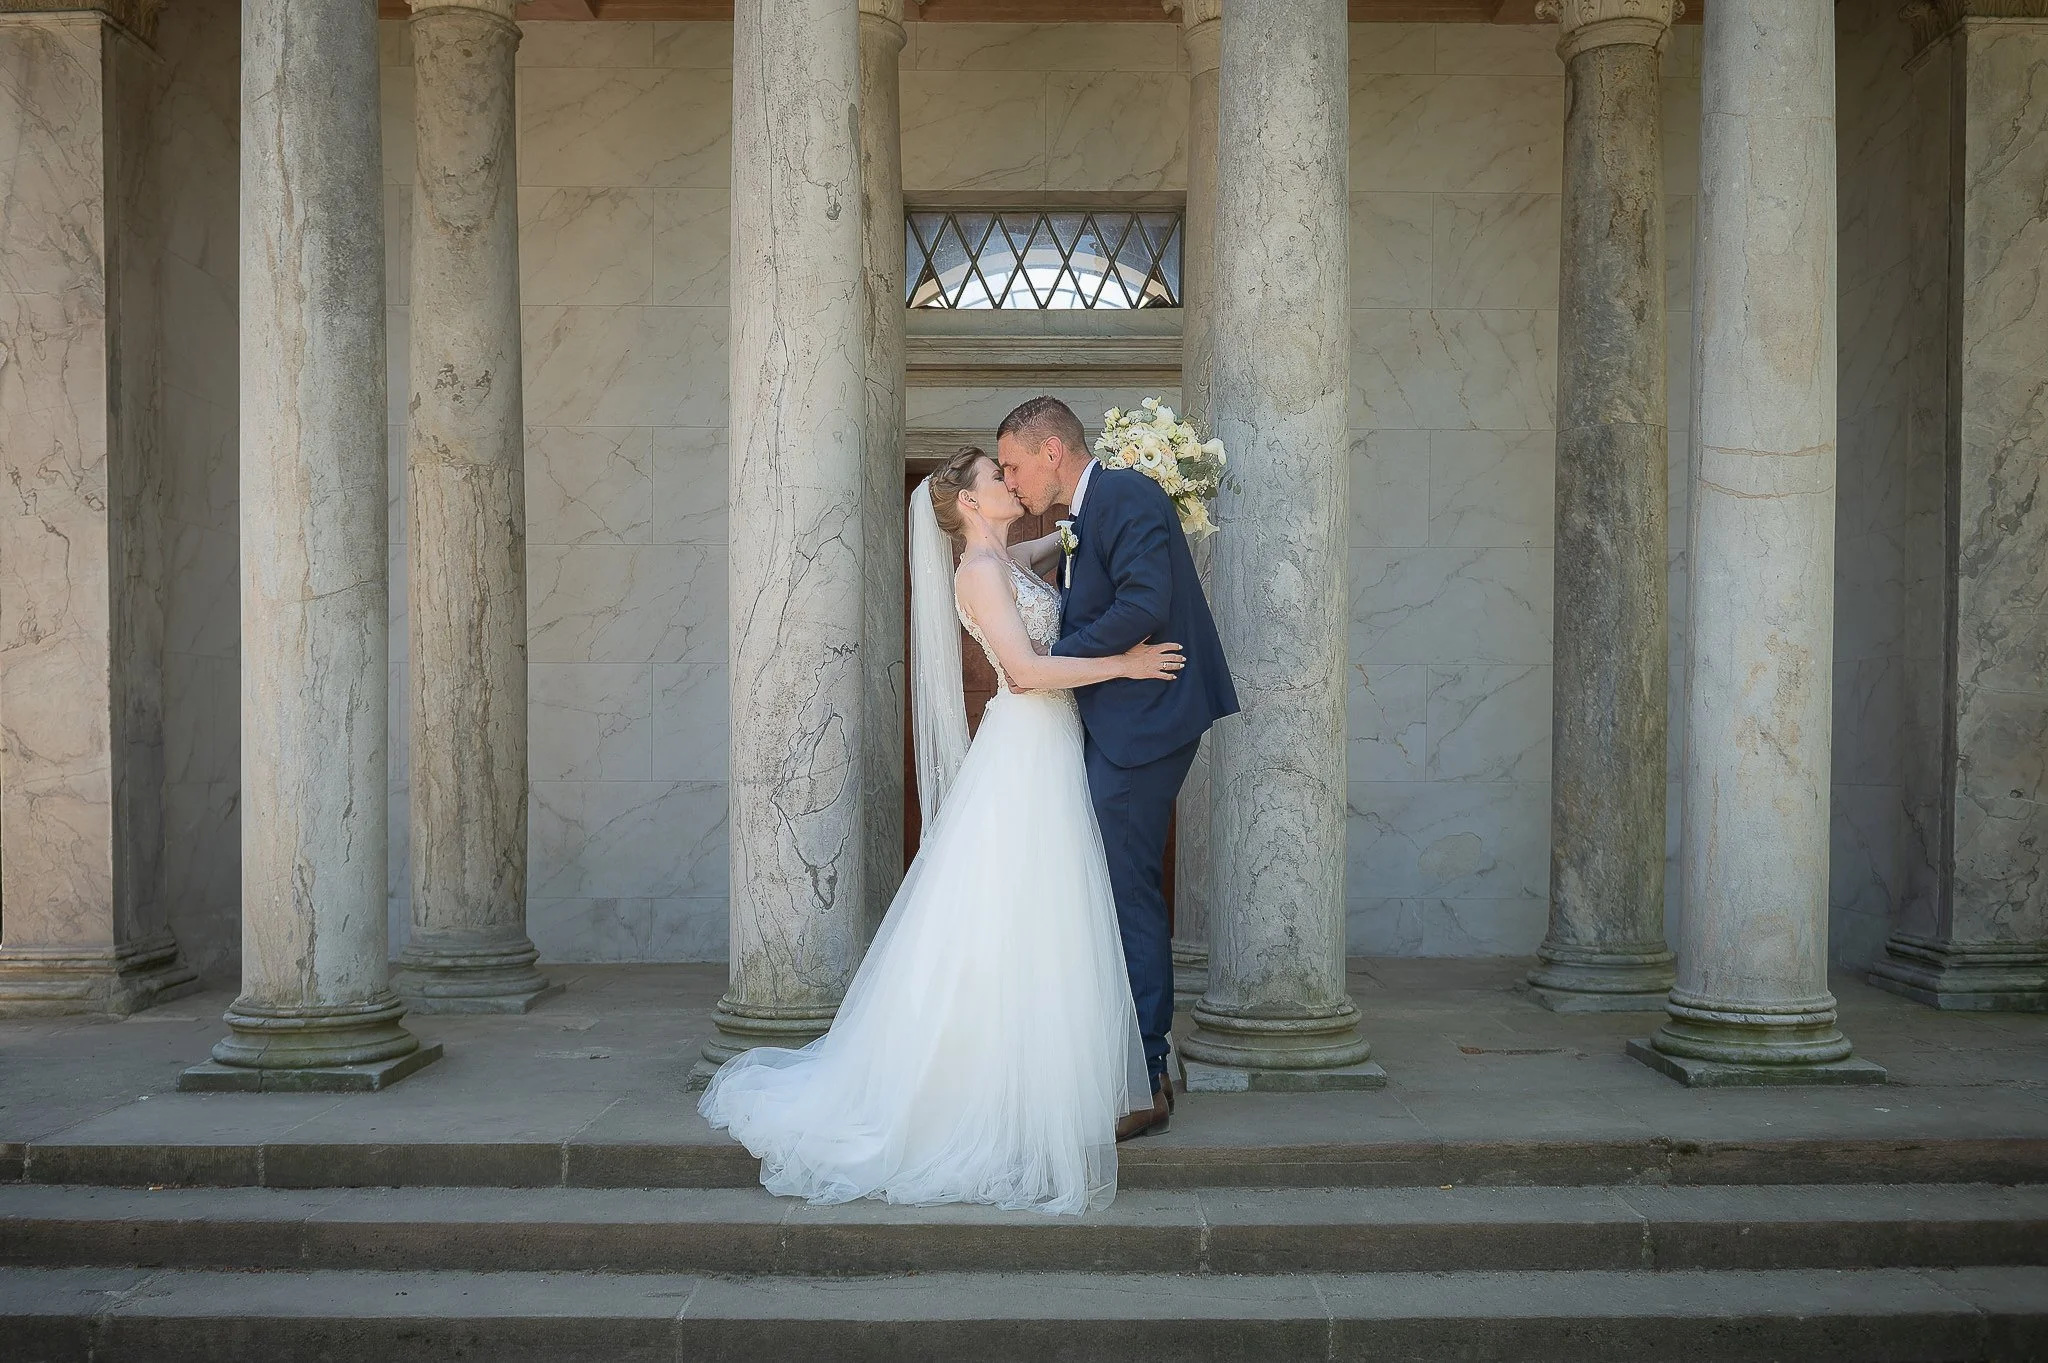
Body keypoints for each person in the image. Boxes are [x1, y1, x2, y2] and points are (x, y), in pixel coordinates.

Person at [698, 447, 1184, 1215]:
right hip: (1025, 745)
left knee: (1042, 920)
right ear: (968, 501)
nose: (1012, 484)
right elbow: (1023, 671)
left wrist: (1149, 486)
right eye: (1000, 478)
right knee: (1006, 916)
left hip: (1052, 747)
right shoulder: (977, 574)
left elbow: (1071, 536)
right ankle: (977, 1088)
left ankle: (1043, 1076)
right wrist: (1125, 664)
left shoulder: (1007, 555)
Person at [996, 395, 1239, 1141]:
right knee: (1105, 884)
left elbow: (1144, 601)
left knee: (1124, 886)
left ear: (1052, 453)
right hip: (1117, 719)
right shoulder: (1087, 511)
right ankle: (1124, 1059)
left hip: (1146, 722)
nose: (1011, 482)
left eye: (1013, 465)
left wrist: (1048, 660)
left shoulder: (1127, 493)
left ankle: (1147, 1075)